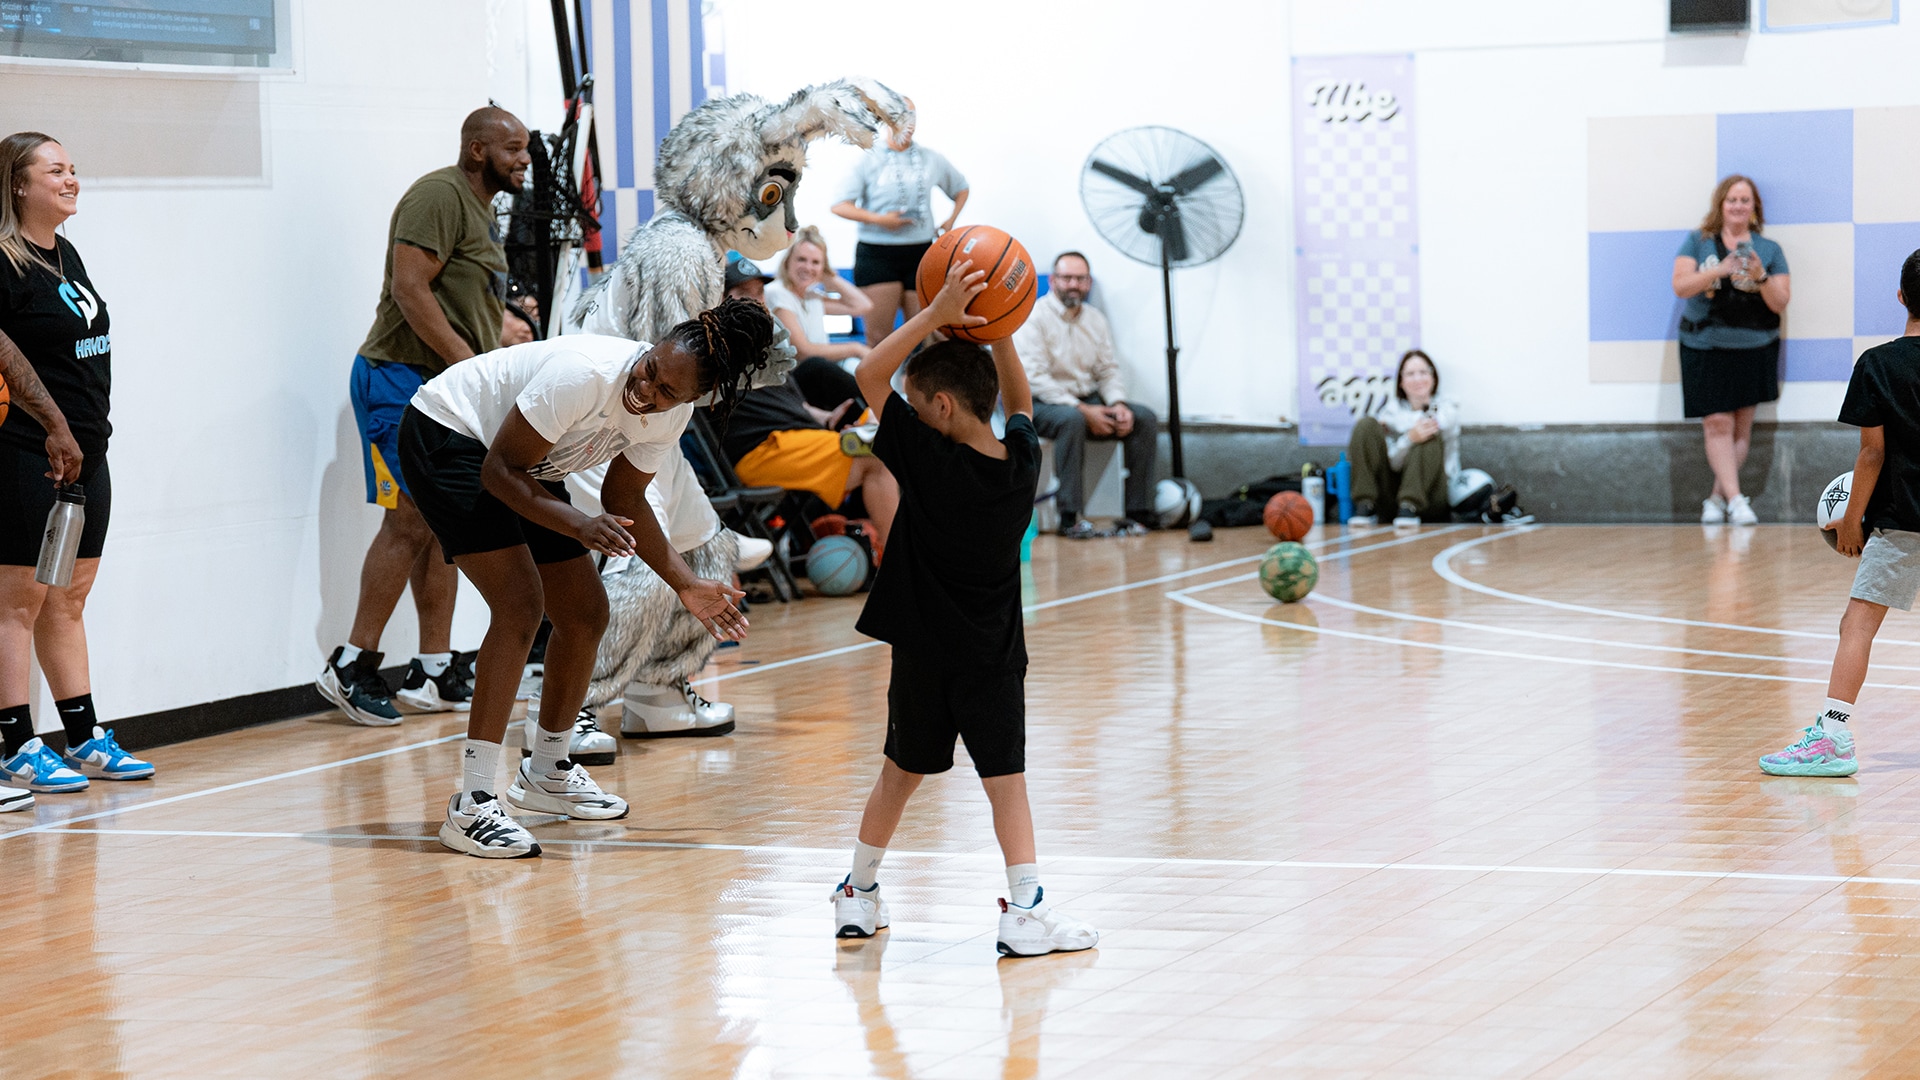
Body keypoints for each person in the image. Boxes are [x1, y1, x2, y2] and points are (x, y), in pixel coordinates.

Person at [400, 299, 773, 858]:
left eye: (667, 392)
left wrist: (685, 584)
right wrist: (578, 524)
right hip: (449, 435)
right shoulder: (585, 373)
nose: (646, 391)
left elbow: (624, 498)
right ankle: (472, 801)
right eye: (649, 369)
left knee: (585, 614)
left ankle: (547, 770)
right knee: (520, 606)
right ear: (650, 349)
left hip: (528, 461)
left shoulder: (670, 417)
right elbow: (499, 472)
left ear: (693, 399)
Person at [831, 258, 1099, 957]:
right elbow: (1022, 404)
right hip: (991, 656)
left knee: (899, 772)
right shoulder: (1020, 465)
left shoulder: (925, 458)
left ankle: (858, 892)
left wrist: (936, 311)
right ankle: (1026, 910)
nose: (912, 413)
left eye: (918, 405)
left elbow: (869, 374)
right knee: (1005, 782)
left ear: (941, 408)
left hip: (921, 650)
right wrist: (998, 327)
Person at [319, 107, 531, 727]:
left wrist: (500, 333)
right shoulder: (437, 195)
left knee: (443, 523)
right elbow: (410, 288)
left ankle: (433, 668)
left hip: (445, 385)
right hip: (398, 378)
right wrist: (469, 365)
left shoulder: (481, 208)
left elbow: (458, 296)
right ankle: (351, 663)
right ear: (477, 149)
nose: (524, 159)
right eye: (513, 148)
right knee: (410, 519)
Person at [0, 131, 153, 806]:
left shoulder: (65, 253)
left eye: (72, 169)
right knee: (17, 604)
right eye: (55, 170)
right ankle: (14, 746)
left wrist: (83, 434)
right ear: (17, 185)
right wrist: (54, 427)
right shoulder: (3, 263)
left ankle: (84, 737)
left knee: (68, 597)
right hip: (27, 453)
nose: (71, 179)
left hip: (88, 454)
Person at [1760, 251, 1920, 779]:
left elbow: (1872, 454)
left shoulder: (1877, 364)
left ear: (1901, 297)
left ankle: (1832, 738)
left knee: (1858, 625)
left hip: (1902, 522)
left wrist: (1852, 520)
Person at [1672, 174, 1791, 526]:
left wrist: (1760, 275)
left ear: (1754, 207)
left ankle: (1716, 499)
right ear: (1721, 204)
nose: (1738, 206)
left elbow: (1780, 302)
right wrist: (1720, 270)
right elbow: (1680, 286)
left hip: (1754, 345)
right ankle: (1737, 500)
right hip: (1705, 344)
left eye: (1745, 200)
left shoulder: (1769, 250)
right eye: (1732, 199)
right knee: (1717, 423)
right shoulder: (1698, 241)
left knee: (1740, 428)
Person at [1016, 251, 1160, 537]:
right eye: (1067, 278)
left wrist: (1117, 404)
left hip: (1087, 400)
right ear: (1053, 281)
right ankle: (1070, 517)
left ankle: (1138, 514)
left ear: (1089, 283)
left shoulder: (1095, 320)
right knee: (1072, 420)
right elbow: (1034, 379)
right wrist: (1083, 410)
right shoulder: (1034, 318)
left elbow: (1108, 370)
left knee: (1144, 418)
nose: (1074, 285)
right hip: (1042, 405)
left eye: (1080, 279)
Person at [718, 354, 902, 551]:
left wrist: (828, 418)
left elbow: (797, 405)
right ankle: (902, 558)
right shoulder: (718, 348)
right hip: (762, 446)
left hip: (796, 432)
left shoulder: (765, 353)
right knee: (875, 454)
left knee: (891, 429)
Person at [830, 104, 969, 348]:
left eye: (912, 116)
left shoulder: (930, 158)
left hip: (920, 251)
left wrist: (951, 220)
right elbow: (839, 205)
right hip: (877, 253)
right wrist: (880, 219)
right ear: (885, 119)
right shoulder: (868, 159)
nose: (908, 122)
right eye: (899, 115)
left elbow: (961, 188)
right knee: (879, 339)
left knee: (923, 337)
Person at [1345, 350, 1458, 527]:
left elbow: (1437, 422)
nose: (1417, 379)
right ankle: (1365, 504)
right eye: (1410, 374)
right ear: (1401, 382)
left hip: (1433, 493)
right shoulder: (1390, 411)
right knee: (1366, 425)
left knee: (1428, 433)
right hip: (1393, 493)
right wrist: (1410, 438)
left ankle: (1410, 506)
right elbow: (1393, 462)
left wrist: (1409, 435)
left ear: (1433, 377)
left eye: (1423, 372)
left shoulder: (1447, 407)